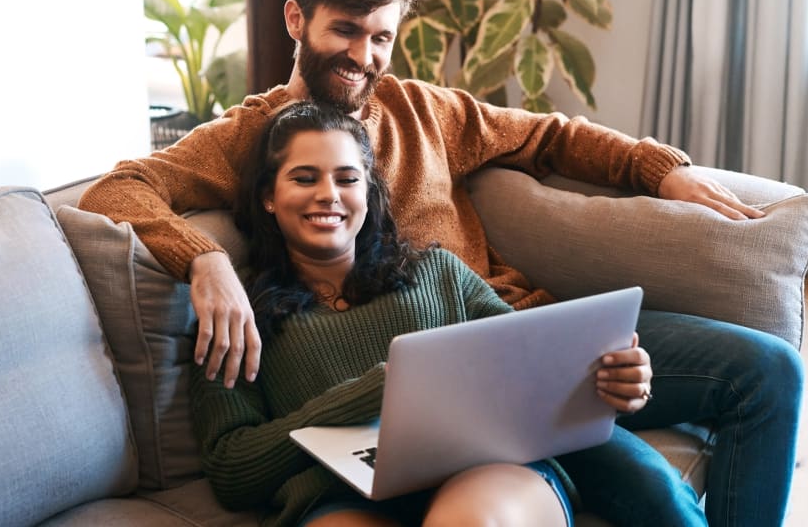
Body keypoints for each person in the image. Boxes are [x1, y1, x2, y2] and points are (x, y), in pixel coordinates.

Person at [80, 0, 804, 525]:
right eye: (345, 30)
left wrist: (659, 170)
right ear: (296, 20)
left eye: (381, 37)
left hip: (524, 342)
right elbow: (119, 188)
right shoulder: (248, 139)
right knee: (629, 484)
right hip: (401, 408)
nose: (363, 56)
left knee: (766, 373)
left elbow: (549, 136)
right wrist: (204, 261)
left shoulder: (425, 109)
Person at [192, 100, 669, 526]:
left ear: (368, 191)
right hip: (336, 497)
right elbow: (233, 472)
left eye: (347, 178)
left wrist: (615, 384)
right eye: (304, 177)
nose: (329, 195)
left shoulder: (436, 271)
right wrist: (377, 391)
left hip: (480, 471)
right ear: (268, 196)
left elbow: (535, 375)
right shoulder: (236, 315)